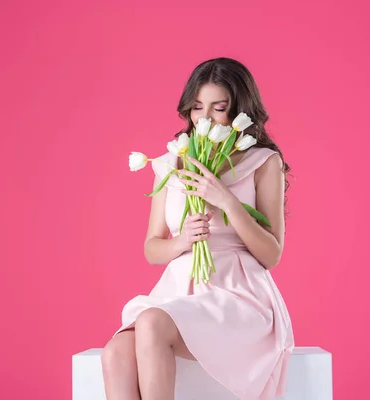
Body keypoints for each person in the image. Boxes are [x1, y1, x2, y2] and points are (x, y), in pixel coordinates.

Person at [101, 57, 295, 400]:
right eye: (196, 108)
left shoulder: (264, 162)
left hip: (237, 294)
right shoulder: (169, 161)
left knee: (151, 322)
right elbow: (152, 247)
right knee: (114, 353)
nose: (204, 118)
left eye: (218, 108)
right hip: (178, 291)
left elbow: (271, 254)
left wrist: (228, 202)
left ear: (238, 111)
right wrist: (182, 241)